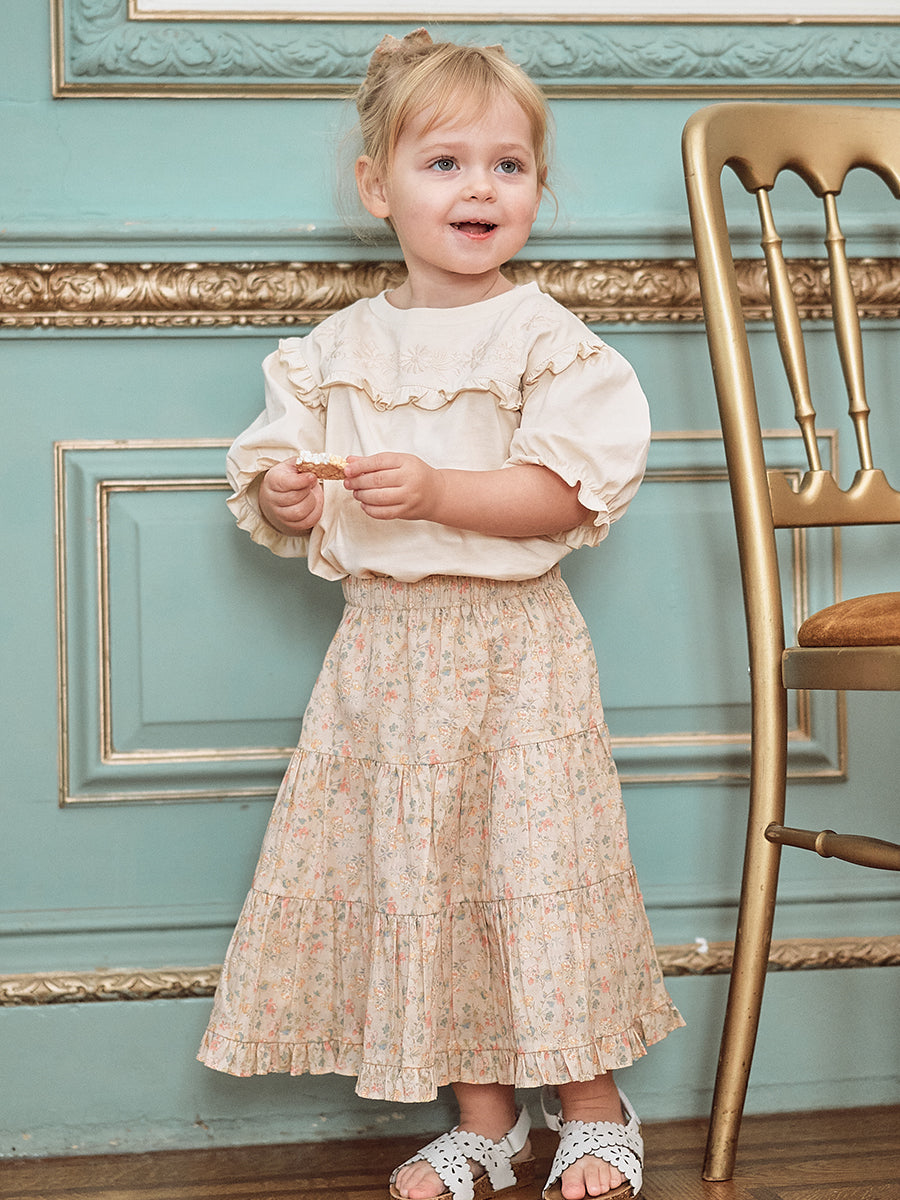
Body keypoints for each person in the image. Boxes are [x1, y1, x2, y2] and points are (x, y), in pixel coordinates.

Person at [198, 28, 683, 1200]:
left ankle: (593, 1107)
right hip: (386, 653)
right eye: (446, 163)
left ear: (537, 190)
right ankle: (482, 1120)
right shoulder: (336, 351)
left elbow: (565, 493)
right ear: (379, 186)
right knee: (424, 878)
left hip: (513, 654)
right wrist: (288, 492)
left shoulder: (545, 339)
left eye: (508, 166)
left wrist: (438, 491)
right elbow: (271, 473)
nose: (481, 188)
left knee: (538, 873)